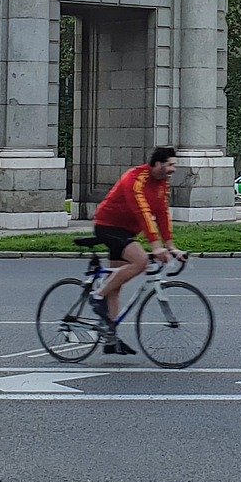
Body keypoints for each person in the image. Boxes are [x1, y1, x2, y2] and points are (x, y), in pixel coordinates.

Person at [88, 147, 183, 356]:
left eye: (174, 165)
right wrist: (155, 245)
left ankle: (110, 339)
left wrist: (170, 245)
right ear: (156, 164)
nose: (173, 169)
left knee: (116, 285)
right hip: (108, 226)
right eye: (170, 164)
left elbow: (162, 213)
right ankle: (97, 295)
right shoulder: (135, 179)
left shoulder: (161, 185)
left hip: (126, 232)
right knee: (140, 262)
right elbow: (142, 211)